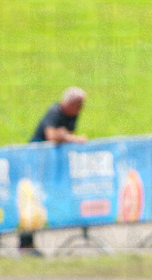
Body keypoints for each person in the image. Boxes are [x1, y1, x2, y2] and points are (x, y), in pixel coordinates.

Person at [22, 86, 88, 254]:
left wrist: (64, 135)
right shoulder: (55, 112)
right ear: (70, 102)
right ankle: (26, 243)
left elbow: (63, 135)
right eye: (79, 104)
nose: (81, 109)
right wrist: (69, 137)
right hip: (36, 164)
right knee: (33, 200)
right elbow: (52, 135)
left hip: (50, 166)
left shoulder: (73, 114)